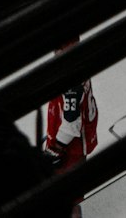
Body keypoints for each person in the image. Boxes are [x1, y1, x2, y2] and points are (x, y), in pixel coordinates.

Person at [43, 38, 99, 218]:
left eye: (58, 50)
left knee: (67, 199)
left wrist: (56, 147)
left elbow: (71, 124)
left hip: (69, 151)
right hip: (76, 147)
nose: (55, 54)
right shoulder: (80, 64)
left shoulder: (69, 80)